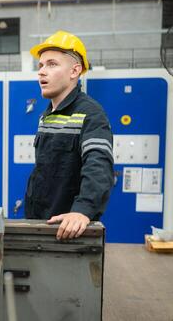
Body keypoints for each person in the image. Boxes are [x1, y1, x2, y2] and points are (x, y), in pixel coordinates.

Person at [25, 30, 114, 240]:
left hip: (68, 230)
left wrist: (83, 210)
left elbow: (99, 164)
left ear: (75, 71)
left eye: (52, 64)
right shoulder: (47, 115)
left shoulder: (91, 113)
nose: (41, 72)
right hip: (39, 222)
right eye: (40, 65)